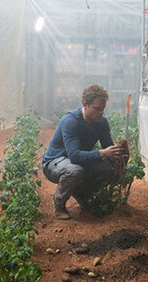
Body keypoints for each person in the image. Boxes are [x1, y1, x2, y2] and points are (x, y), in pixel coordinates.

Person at [42, 84, 124, 220]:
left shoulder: (101, 123)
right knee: (75, 171)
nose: (101, 112)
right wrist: (102, 153)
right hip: (54, 163)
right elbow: (74, 156)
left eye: (103, 108)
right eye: (97, 108)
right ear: (85, 104)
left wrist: (118, 153)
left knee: (110, 167)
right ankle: (59, 204)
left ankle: (82, 193)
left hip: (77, 162)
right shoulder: (71, 122)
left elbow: (108, 148)